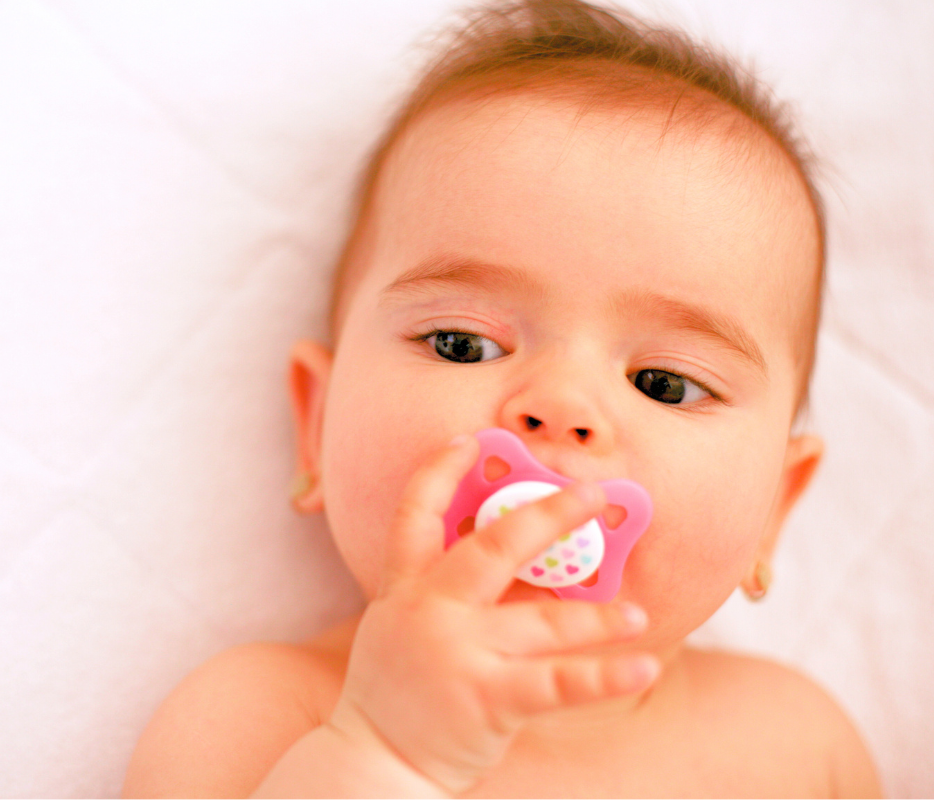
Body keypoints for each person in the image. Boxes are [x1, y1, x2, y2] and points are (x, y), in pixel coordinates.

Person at [124, 0, 881, 795]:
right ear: (316, 426)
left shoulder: (797, 745)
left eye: (665, 384)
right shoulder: (265, 717)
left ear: (774, 507)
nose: (559, 408)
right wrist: (385, 752)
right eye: (462, 344)